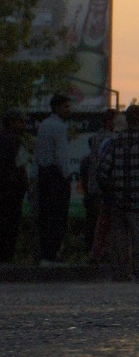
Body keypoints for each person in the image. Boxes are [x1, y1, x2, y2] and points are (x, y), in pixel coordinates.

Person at [97, 105, 139, 281]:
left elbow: (102, 171)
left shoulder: (116, 141)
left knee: (119, 240)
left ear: (126, 119)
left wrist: (110, 193)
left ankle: (120, 273)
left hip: (118, 199)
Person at [34, 94, 72, 266]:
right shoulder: (59, 127)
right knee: (57, 216)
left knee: (45, 215)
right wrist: (66, 175)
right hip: (56, 176)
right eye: (65, 107)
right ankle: (52, 253)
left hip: (44, 174)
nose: (68, 110)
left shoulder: (43, 125)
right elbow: (61, 155)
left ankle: (45, 254)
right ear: (56, 107)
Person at [83, 109, 117, 254]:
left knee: (95, 223)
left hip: (95, 187)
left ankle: (93, 252)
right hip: (107, 188)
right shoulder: (112, 139)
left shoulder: (95, 138)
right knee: (107, 223)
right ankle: (102, 252)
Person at [0, 109, 29, 263]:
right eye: (21, 122)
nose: (24, 125)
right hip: (12, 189)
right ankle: (6, 259)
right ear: (12, 123)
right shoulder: (16, 141)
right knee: (10, 225)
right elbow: (21, 166)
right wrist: (27, 186)